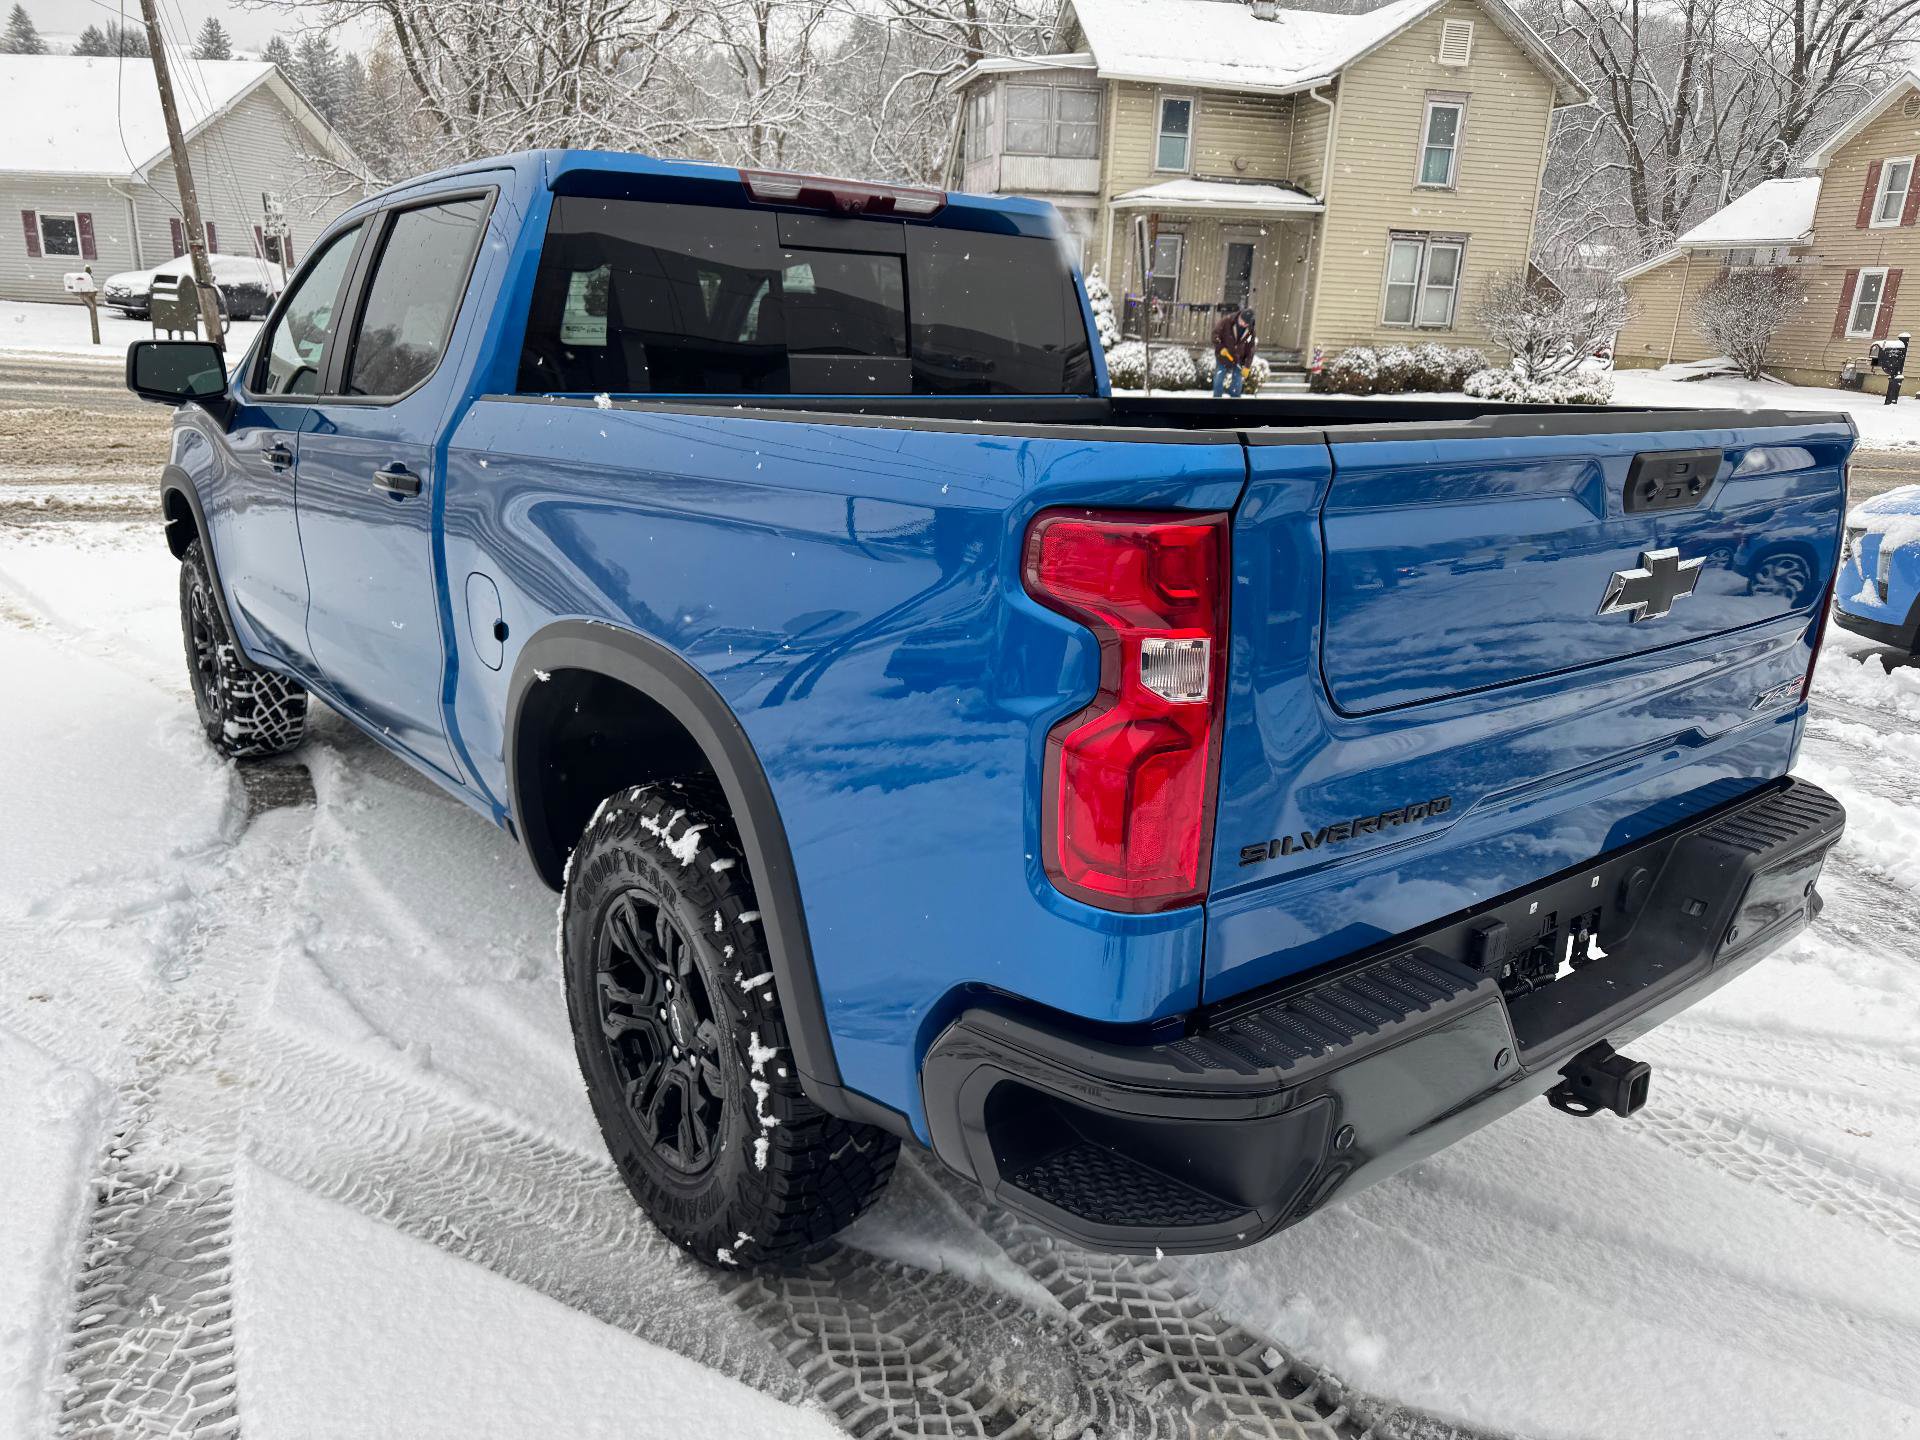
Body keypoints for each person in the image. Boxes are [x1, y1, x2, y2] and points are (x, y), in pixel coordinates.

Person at [1212, 308, 1256, 398]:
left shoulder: (1250, 330)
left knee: (1237, 381)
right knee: (1219, 378)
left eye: (1245, 323)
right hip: (1223, 356)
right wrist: (1221, 348)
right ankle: (1216, 400)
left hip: (1238, 358)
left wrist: (1247, 366)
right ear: (1239, 316)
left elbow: (1250, 348)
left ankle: (1235, 402)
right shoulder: (1227, 321)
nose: (1242, 324)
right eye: (1241, 321)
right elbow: (1215, 335)